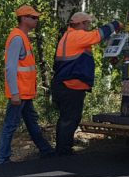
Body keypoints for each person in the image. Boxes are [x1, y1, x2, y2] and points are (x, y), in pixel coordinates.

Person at [52, 11, 121, 155]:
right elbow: (98, 35)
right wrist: (115, 25)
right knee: (70, 119)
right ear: (81, 24)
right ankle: (63, 152)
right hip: (71, 86)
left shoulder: (68, 36)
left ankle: (62, 149)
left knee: (66, 118)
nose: (89, 26)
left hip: (63, 84)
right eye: (88, 23)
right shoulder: (77, 36)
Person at [0, 5, 54, 164]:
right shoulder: (17, 38)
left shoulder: (22, 37)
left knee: (31, 122)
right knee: (10, 125)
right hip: (19, 93)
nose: (36, 20)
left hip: (25, 93)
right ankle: (2, 159)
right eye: (33, 17)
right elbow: (10, 67)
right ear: (24, 18)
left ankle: (46, 150)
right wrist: (14, 93)